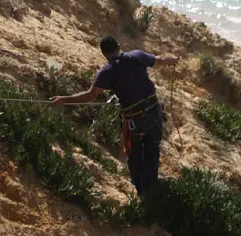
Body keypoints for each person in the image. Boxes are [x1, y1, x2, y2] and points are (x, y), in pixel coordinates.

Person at [51, 35, 177, 195]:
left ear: (103, 53)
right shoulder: (137, 56)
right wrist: (173, 59)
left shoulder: (107, 71)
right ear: (119, 45)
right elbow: (161, 60)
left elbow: (90, 96)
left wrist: (63, 100)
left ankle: (142, 192)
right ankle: (151, 188)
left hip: (134, 120)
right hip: (153, 113)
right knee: (152, 150)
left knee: (135, 157)